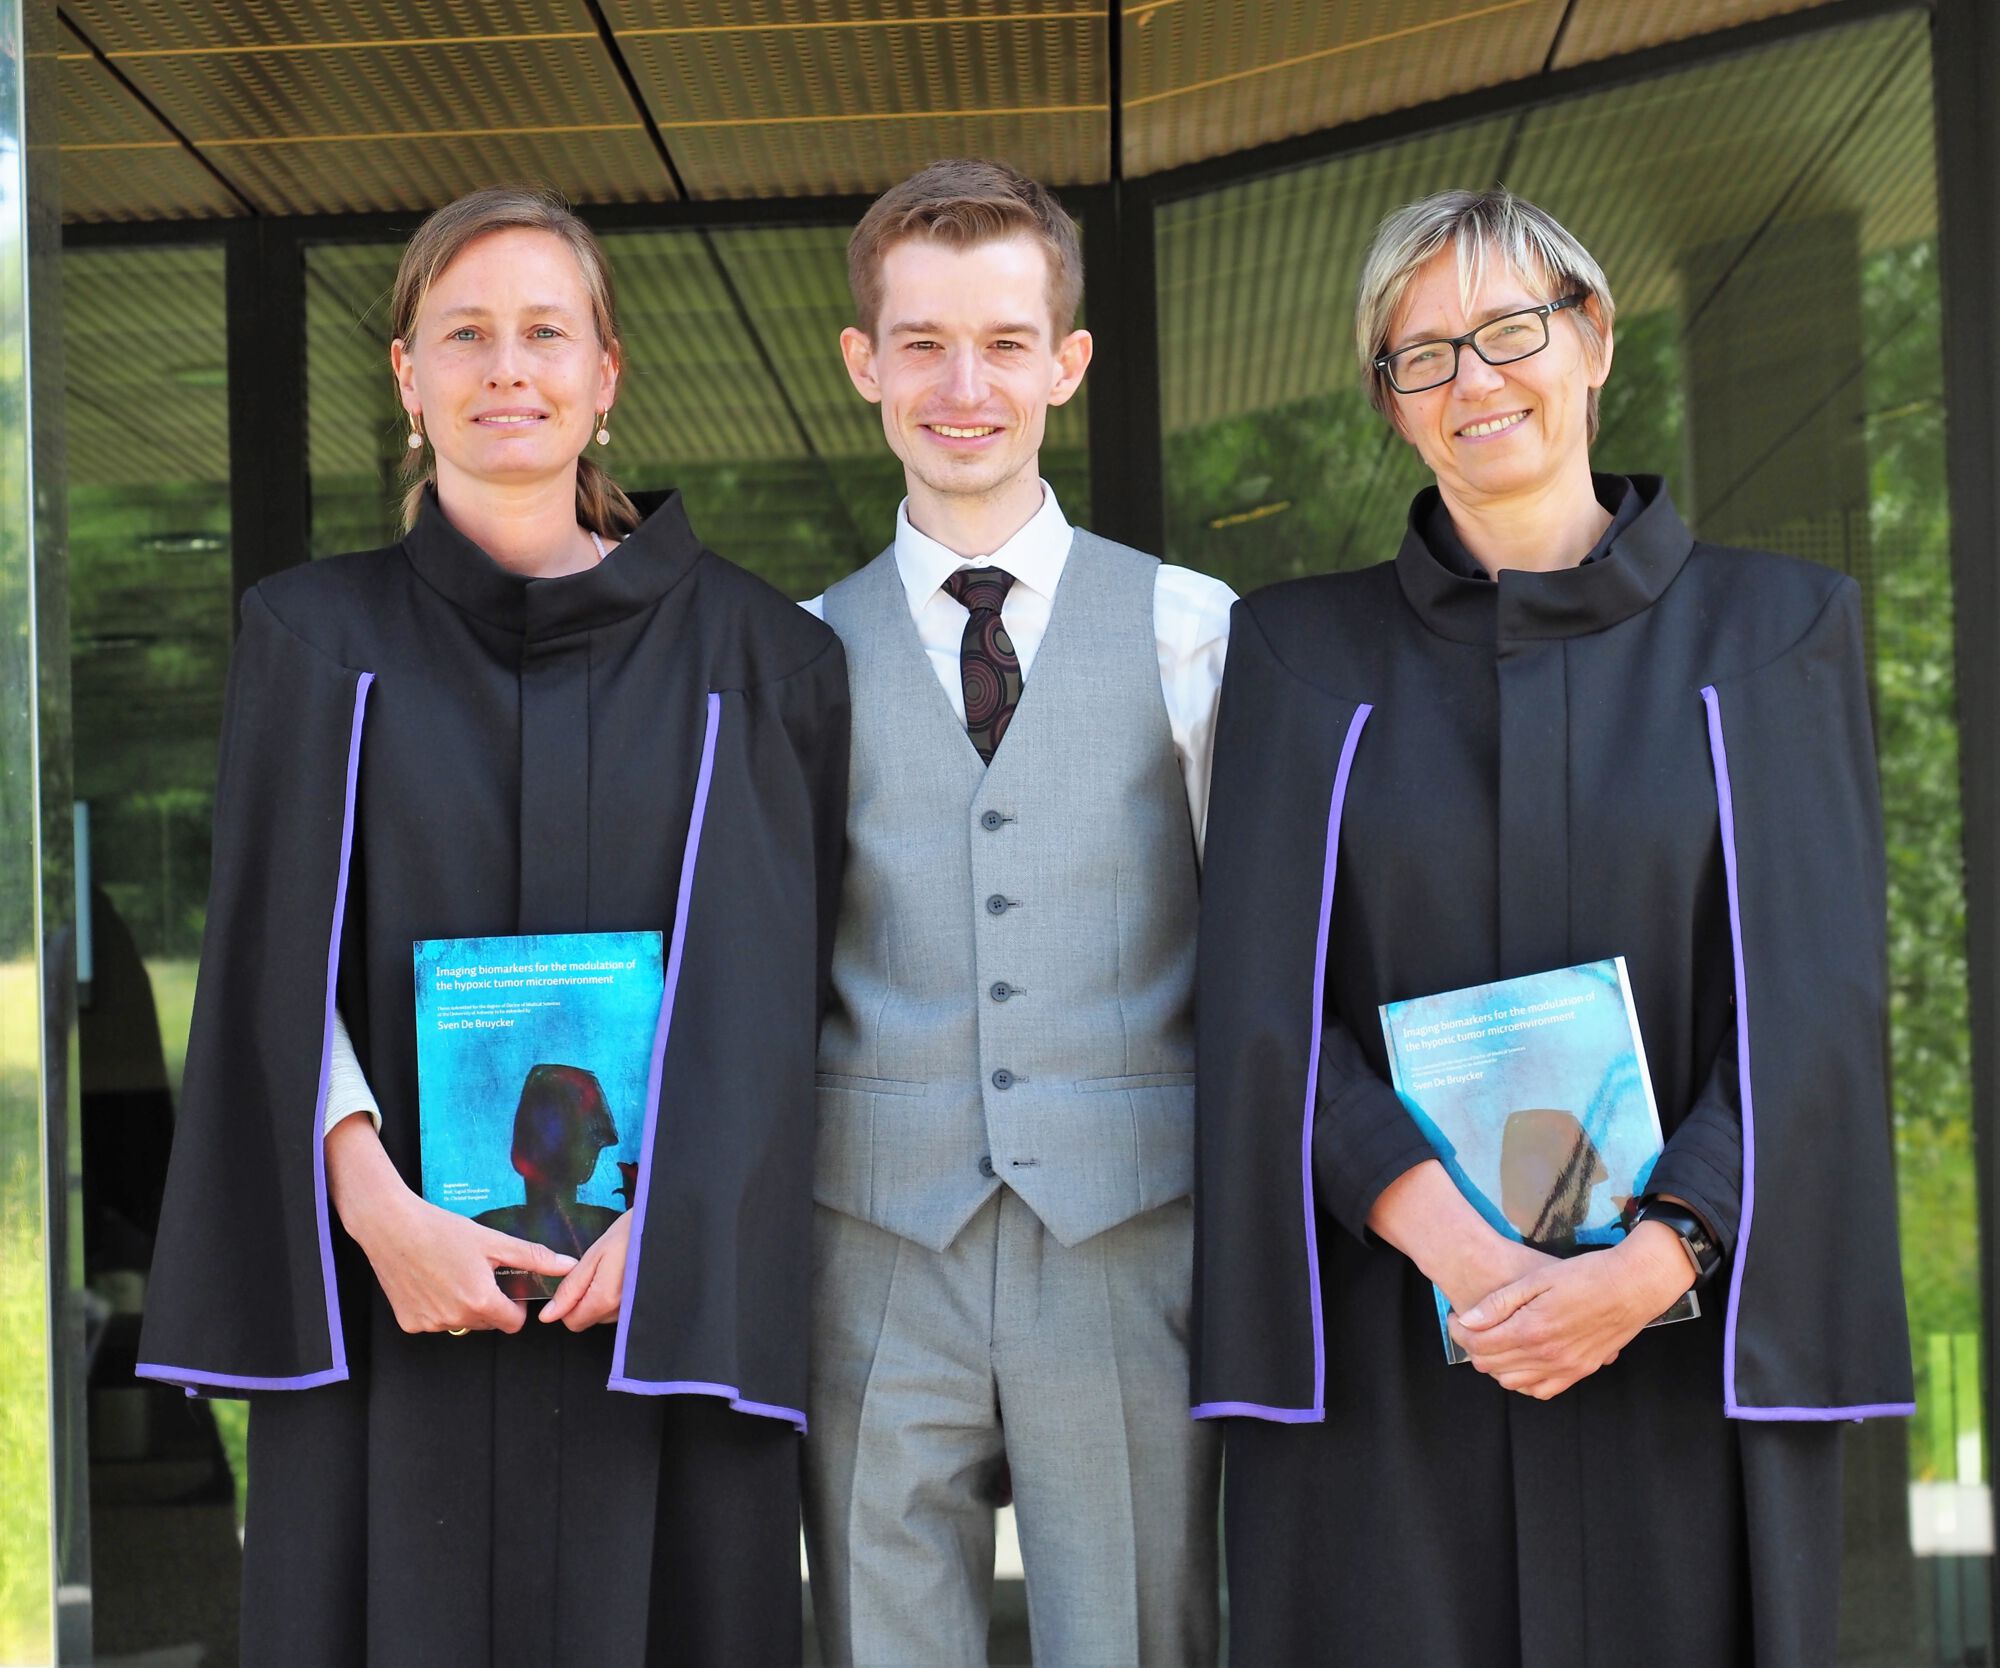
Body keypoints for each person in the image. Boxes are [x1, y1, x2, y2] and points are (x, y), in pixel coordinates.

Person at [1192, 187, 1914, 1667]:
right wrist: (1465, 1253)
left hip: (1685, 1344)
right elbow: (1259, 1005)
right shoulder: (1296, 653)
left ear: (1591, 338)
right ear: (1389, 402)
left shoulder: (1778, 635)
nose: (1475, 381)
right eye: (1423, 354)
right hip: (1395, 1338)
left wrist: (1659, 1258)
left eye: (1510, 329)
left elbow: (1818, 999)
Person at [135, 186, 848, 1667]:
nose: (506, 367)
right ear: (407, 378)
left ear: (607, 375)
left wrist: (684, 1224)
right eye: (464, 333)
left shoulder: (765, 661)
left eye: (544, 332)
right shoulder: (311, 644)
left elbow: (783, 1000)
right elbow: (272, 975)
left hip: (660, 1312)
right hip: (401, 1309)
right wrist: (376, 1211)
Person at [798, 159, 1232, 1667]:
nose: (961, 383)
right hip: (868, 1241)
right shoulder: (791, 659)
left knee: (1132, 1636)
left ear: (1068, 360)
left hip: (1124, 1235)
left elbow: (1268, 954)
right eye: (919, 342)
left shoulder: (1195, 630)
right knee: (877, 1638)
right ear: (864, 365)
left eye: (1001, 340)